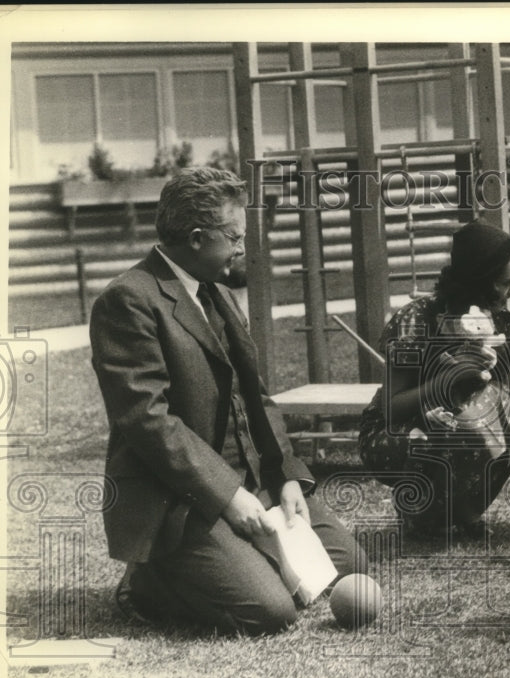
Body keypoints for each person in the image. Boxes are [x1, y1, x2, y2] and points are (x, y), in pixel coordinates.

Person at [89, 167, 366, 636]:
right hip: (178, 501)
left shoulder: (216, 293)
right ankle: (147, 581)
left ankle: (238, 558)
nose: (242, 248)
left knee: (350, 563)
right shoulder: (128, 301)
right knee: (269, 612)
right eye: (234, 237)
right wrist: (229, 496)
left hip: (247, 484)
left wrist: (286, 477)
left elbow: (255, 398)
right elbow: (148, 421)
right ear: (197, 238)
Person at [358, 220, 510, 541]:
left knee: (507, 424)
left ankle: (463, 512)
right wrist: (447, 378)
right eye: (506, 282)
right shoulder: (417, 319)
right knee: (453, 430)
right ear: (479, 281)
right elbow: (392, 408)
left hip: (453, 419)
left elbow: (504, 398)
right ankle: (418, 509)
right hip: (393, 430)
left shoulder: (496, 322)